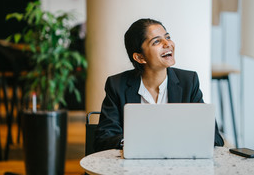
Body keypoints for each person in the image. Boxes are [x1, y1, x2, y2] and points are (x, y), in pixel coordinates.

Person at [94, 18, 224, 152]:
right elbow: (104, 138)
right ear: (140, 57)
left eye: (167, 37)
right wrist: (133, 143)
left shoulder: (188, 82)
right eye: (156, 41)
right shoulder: (117, 85)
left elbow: (215, 138)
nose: (167, 43)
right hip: (132, 168)